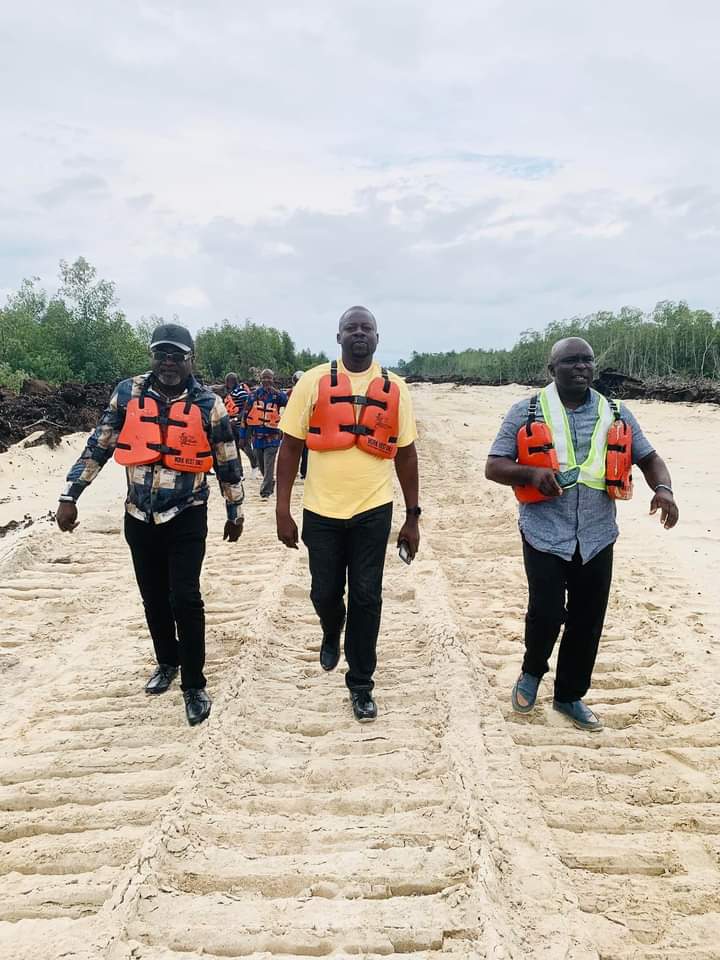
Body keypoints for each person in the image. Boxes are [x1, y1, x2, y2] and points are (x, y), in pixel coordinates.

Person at [485, 336, 679, 732]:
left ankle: (569, 695)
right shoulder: (525, 411)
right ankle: (532, 671)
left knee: (588, 618)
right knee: (546, 612)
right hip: (544, 531)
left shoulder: (616, 412)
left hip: (597, 534)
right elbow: (494, 465)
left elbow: (649, 458)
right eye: (571, 361)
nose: (580, 367)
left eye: (587, 361)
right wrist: (530, 474)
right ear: (551, 369)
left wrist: (664, 490)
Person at [56, 323, 245, 727]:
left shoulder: (209, 404)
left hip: (187, 512)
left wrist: (235, 510)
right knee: (153, 597)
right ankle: (167, 662)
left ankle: (194, 684)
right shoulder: (128, 393)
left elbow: (227, 459)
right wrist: (70, 495)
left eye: (177, 355)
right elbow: (100, 443)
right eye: (161, 354)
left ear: (191, 359)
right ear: (152, 357)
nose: (168, 363)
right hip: (139, 514)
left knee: (186, 598)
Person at [275, 306, 421, 722]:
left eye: (366, 328)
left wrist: (412, 516)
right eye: (351, 328)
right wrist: (282, 509)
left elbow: (406, 455)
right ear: (338, 337)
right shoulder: (312, 381)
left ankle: (361, 683)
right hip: (320, 511)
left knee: (367, 596)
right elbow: (290, 447)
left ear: (377, 337)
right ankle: (330, 627)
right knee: (324, 592)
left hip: (373, 510)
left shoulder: (396, 388)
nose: (359, 333)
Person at [245, 368, 287, 499]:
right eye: (264, 378)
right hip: (257, 437)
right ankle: (269, 482)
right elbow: (246, 414)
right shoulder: (253, 395)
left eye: (269, 378)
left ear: (273, 379)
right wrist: (243, 435)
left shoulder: (277, 395)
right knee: (262, 466)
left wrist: (277, 392)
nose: (266, 380)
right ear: (260, 379)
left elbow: (287, 402)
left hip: (273, 437)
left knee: (269, 465)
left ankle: (265, 492)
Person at [223, 372, 258, 477]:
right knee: (234, 449)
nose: (228, 383)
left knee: (245, 446)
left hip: (241, 424)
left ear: (234, 381)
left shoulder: (241, 392)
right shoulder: (228, 393)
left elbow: (247, 407)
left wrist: (237, 418)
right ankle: (240, 473)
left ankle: (254, 464)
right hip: (230, 424)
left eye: (229, 381)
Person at [290, 370, 309, 480]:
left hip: (303, 424)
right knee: (301, 450)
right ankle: (302, 472)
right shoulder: (294, 392)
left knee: (302, 450)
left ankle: (302, 471)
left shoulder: (295, 392)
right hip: (297, 424)